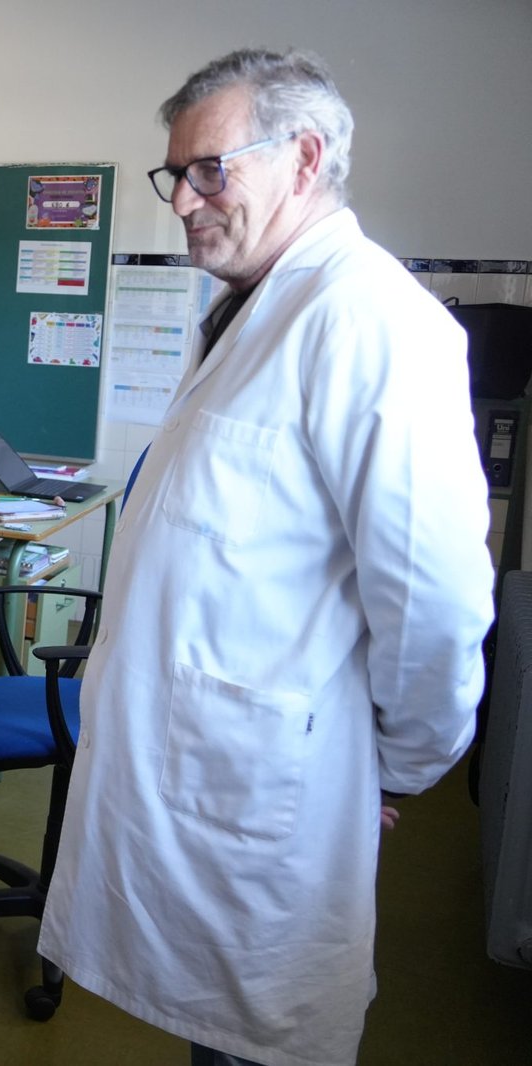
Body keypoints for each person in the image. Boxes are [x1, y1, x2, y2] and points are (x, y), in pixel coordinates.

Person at [36, 49, 496, 1066]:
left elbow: (434, 603)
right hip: (214, 777)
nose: (185, 199)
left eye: (210, 169)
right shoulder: (251, 306)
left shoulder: (371, 320)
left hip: (271, 793)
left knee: (254, 1047)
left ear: (303, 157)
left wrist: (395, 762)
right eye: (176, 175)